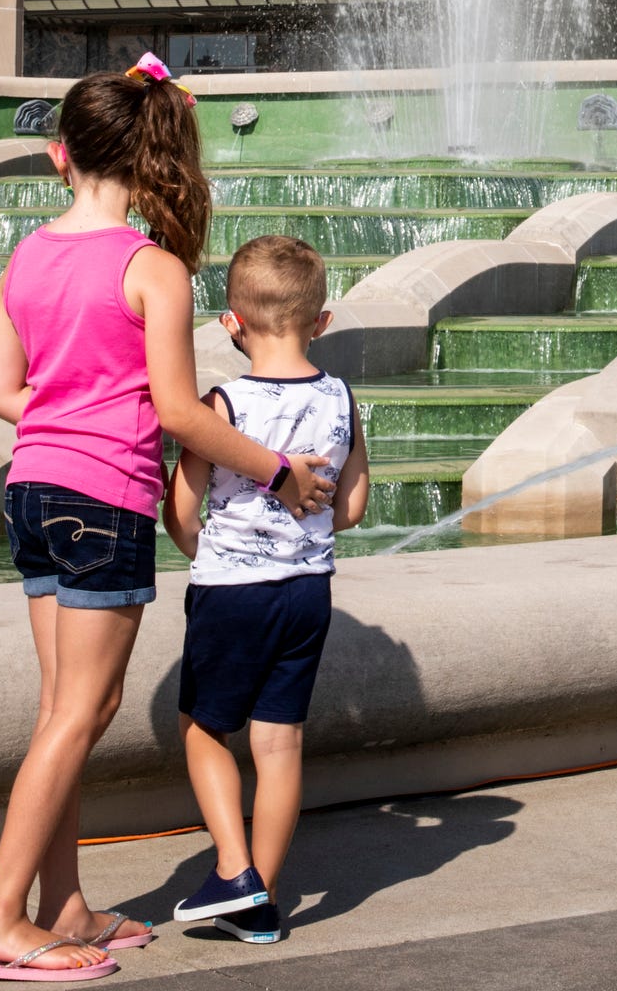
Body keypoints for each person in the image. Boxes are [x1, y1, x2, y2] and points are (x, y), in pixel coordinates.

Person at [0, 57, 334, 984]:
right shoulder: (151, 267)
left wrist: (68, 412)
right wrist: (277, 469)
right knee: (83, 713)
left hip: (34, 490)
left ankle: (63, 902)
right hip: (102, 499)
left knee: (62, 711)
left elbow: (0, 391)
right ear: (152, 157)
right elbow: (177, 412)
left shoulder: (28, 254)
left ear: (61, 156)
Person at [163, 234, 370, 946]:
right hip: (307, 590)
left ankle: (234, 869)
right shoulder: (341, 398)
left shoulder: (220, 406)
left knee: (203, 728)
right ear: (322, 321)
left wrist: (213, 555)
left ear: (232, 322)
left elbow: (180, 515)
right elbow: (351, 508)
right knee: (279, 745)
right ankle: (264, 902)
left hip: (233, 591)